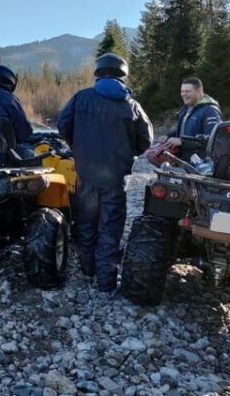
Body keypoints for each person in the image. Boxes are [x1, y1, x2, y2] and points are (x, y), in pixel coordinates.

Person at [57, 53, 153, 293]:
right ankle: (106, 283)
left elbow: (63, 125)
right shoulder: (132, 105)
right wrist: (127, 152)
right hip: (115, 179)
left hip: (86, 177)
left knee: (86, 225)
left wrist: (77, 147)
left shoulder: (81, 98)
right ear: (123, 75)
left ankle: (87, 271)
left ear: (98, 72)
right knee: (110, 229)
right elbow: (146, 141)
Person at [158, 77, 221, 160]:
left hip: (201, 164)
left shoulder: (210, 110)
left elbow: (212, 138)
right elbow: (182, 128)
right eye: (182, 91)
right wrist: (168, 136)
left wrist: (182, 142)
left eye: (187, 91)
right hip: (184, 161)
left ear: (199, 91)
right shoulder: (186, 108)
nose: (183, 94)